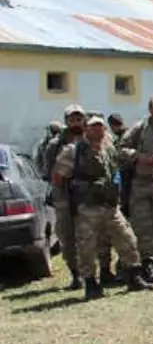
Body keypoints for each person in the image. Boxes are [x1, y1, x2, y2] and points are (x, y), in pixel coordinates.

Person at [52, 115, 153, 299]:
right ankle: (91, 283)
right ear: (86, 129)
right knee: (86, 248)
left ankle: (134, 277)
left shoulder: (108, 148)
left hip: (110, 206)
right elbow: (58, 178)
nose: (97, 130)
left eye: (100, 126)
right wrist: (70, 201)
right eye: (93, 127)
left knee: (128, 239)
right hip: (87, 208)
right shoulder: (73, 151)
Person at [118, 93, 153, 281]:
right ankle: (147, 263)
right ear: (151, 109)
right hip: (141, 183)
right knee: (142, 225)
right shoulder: (140, 128)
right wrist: (139, 156)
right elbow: (122, 148)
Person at [44, 104, 87, 290]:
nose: (76, 123)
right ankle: (76, 275)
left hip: (88, 194)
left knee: (90, 234)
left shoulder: (92, 137)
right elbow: (49, 170)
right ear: (66, 121)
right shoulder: (56, 144)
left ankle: (95, 273)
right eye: (72, 119)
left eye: (79, 119)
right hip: (64, 194)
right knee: (67, 236)